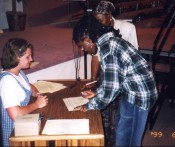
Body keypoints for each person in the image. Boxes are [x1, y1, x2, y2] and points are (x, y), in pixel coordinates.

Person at [72, 14, 158, 146]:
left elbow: (112, 88)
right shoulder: (107, 43)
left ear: (88, 40)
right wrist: (97, 92)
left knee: (132, 140)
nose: (83, 50)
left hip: (141, 95)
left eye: (82, 46)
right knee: (122, 132)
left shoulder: (108, 48)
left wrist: (89, 106)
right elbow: (113, 80)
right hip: (129, 90)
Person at [82, 1, 139, 146]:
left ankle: (118, 139)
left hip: (124, 75)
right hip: (107, 72)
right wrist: (92, 81)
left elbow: (134, 56)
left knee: (121, 114)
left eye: (100, 19)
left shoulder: (127, 28)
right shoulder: (97, 30)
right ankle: (106, 139)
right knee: (104, 111)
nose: (98, 23)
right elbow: (96, 57)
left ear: (109, 15)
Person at [0, 38, 48, 147]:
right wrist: (36, 104)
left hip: (23, 126)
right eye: (28, 57)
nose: (31, 59)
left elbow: (28, 86)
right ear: (16, 58)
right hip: (13, 136)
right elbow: (15, 114)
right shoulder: (7, 81)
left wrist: (37, 94)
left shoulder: (18, 72)